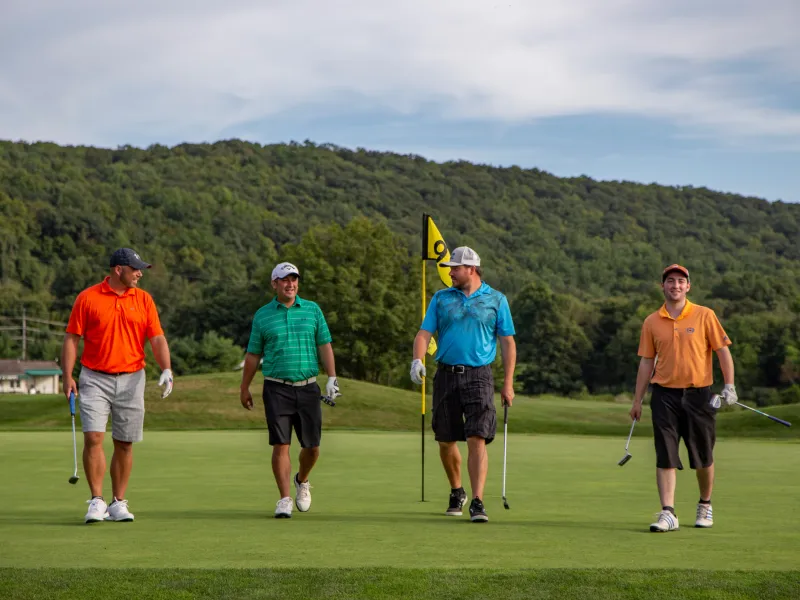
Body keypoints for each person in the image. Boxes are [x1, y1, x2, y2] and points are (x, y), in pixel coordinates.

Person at [61, 248, 174, 524]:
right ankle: (97, 500)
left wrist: (167, 368)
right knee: (93, 437)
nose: (139, 274)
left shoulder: (144, 300)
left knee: (124, 442)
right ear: (118, 270)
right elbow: (72, 339)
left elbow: (156, 338)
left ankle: (118, 502)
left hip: (132, 378)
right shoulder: (87, 298)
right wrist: (67, 376)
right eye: (135, 269)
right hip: (94, 377)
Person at [410, 246, 516, 523]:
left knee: (476, 437)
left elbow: (507, 342)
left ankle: (478, 501)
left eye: (454, 268)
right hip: (446, 374)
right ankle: (457, 490)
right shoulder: (442, 298)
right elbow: (423, 334)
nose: (450, 272)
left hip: (479, 375)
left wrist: (508, 383)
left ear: (471, 268)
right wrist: (417, 359)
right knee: (445, 440)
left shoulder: (496, 299)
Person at [630, 264, 736, 532]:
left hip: (699, 394)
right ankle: (668, 512)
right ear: (662, 286)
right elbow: (646, 362)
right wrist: (637, 400)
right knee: (665, 453)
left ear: (688, 286)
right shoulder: (652, 321)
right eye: (670, 281)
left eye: (680, 281)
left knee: (703, 454)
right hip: (664, 394)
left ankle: (705, 504)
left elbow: (722, 352)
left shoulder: (705, 315)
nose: (675, 285)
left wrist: (730, 386)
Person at [239, 262, 340, 519]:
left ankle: (302, 480)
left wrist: (332, 377)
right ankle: (284, 498)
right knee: (280, 444)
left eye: (294, 279)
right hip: (276, 387)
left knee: (312, 446)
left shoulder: (312, 310)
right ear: (274, 283)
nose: (290, 284)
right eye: (285, 279)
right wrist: (245, 387)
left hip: (308, 388)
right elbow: (253, 355)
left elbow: (325, 345)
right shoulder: (263, 315)